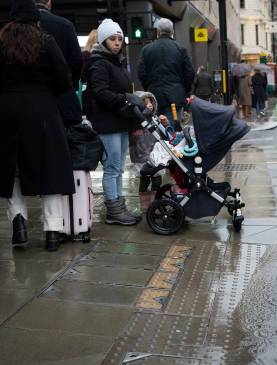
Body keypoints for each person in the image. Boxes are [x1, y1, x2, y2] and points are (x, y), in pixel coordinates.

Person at [0, 0, 75, 251]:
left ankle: (19, 222)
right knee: (50, 167)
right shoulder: (46, 42)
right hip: (43, 110)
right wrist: (46, 93)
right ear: (36, 19)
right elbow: (65, 80)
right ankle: (52, 231)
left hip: (8, 110)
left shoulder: (1, 43)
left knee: (12, 167)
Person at [83, 18, 140, 225]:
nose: (117, 42)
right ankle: (113, 210)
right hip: (107, 124)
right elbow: (100, 92)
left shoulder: (117, 62)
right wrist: (125, 99)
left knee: (118, 168)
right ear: (104, 41)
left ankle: (118, 206)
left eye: (119, 39)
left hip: (119, 122)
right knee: (112, 167)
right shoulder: (99, 63)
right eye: (112, 39)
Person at [35, 0, 82, 126]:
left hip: (31, 100)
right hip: (63, 99)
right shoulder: (65, 25)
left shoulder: (16, 28)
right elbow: (76, 60)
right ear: (49, 2)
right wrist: (69, 84)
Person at [137, 18, 195, 118]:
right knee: (173, 130)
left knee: (157, 130)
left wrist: (149, 86)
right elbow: (190, 73)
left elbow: (141, 72)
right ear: (172, 32)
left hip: (154, 96)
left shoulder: (146, 49)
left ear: (158, 32)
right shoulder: (181, 49)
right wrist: (184, 89)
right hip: (176, 97)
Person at [128, 92, 162, 213]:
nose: (149, 105)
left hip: (155, 155)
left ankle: (155, 202)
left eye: (150, 102)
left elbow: (162, 134)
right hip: (141, 156)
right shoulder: (135, 123)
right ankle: (144, 205)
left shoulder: (155, 119)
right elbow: (131, 140)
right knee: (144, 179)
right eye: (145, 102)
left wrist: (165, 123)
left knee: (157, 178)